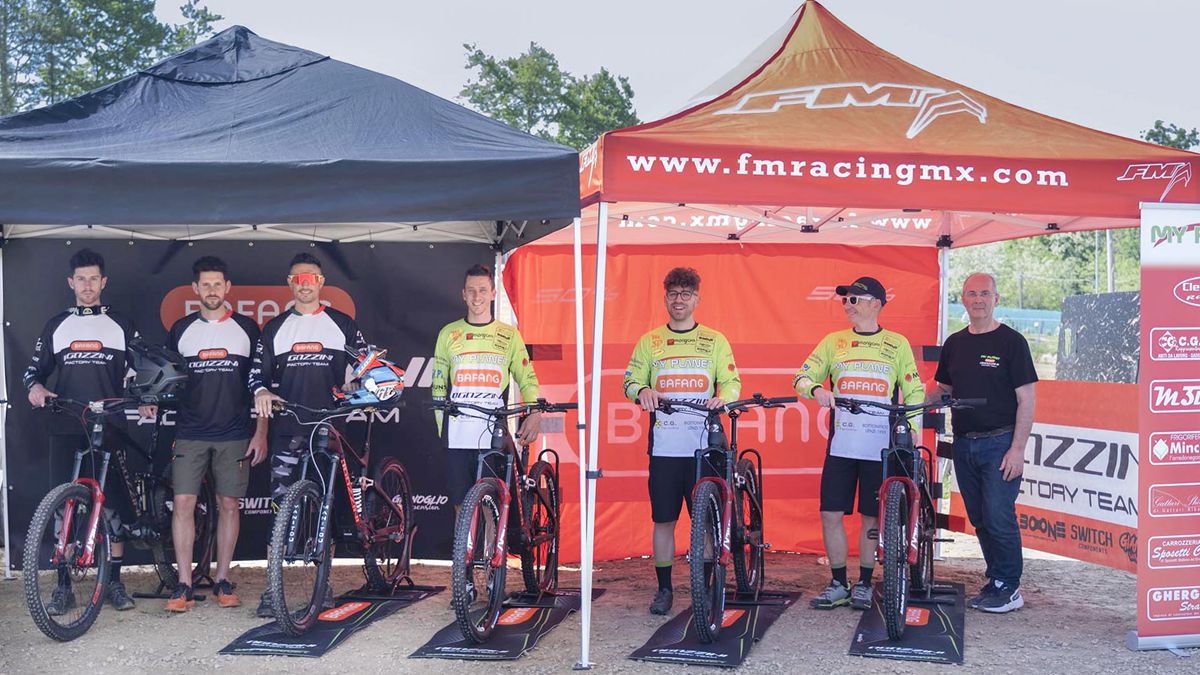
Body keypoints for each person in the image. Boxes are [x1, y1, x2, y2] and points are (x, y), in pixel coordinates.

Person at [24, 248, 143, 613]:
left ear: (103, 282)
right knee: (64, 507)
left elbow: (141, 371)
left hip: (110, 426)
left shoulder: (121, 325)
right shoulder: (57, 325)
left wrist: (144, 396)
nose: (87, 286)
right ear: (70, 282)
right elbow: (33, 373)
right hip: (66, 426)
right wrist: (36, 389)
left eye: (94, 279)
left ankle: (115, 583)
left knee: (112, 507)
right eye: (81, 279)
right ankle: (64, 587)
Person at [794, 276, 923, 611]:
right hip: (842, 446)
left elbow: (913, 390)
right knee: (830, 513)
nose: (847, 305)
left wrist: (913, 426)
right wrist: (816, 389)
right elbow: (801, 377)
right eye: (845, 300)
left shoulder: (897, 344)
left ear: (876, 304)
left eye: (854, 299)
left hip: (879, 448)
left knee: (871, 517)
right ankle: (839, 583)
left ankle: (865, 583)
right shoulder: (833, 341)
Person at [249, 252, 367, 616]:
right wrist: (262, 391)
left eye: (311, 278)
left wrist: (359, 382)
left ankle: (323, 585)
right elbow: (255, 376)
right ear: (289, 283)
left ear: (321, 282)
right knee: (280, 510)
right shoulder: (275, 328)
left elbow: (366, 367)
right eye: (298, 278)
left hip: (328, 430)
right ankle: (273, 591)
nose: (304, 284)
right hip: (287, 431)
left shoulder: (342, 324)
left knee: (324, 509)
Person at [623, 267, 740, 616]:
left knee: (705, 522)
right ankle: (664, 590)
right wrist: (642, 390)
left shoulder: (715, 341)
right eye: (673, 294)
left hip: (705, 448)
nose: (679, 300)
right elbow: (630, 381)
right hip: (665, 448)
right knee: (663, 520)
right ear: (665, 298)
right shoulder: (650, 341)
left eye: (686, 294)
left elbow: (732, 383)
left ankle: (704, 587)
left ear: (697, 299)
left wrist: (724, 397)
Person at [162, 256, 268, 612]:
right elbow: (165, 380)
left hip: (234, 433)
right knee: (183, 504)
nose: (211, 290)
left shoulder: (247, 329)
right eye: (205, 284)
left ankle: (223, 579)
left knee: (229, 505)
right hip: (190, 431)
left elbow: (262, 386)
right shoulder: (180, 330)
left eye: (217, 284)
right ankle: (183, 584)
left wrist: (261, 432)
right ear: (195, 289)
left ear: (227, 288)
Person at [927, 272, 1036, 613]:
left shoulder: (1012, 342)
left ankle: (1010, 587)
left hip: (1000, 443)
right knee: (980, 518)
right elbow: (943, 389)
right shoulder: (955, 344)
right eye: (972, 293)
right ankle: (997, 580)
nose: (978, 299)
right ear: (963, 299)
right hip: (963, 445)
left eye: (985, 294)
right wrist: (913, 401)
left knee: (999, 515)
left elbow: (1027, 399)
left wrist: (1017, 449)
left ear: (996, 299)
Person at [431, 264, 541, 511]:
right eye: (471, 290)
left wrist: (535, 412)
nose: (476, 296)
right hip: (457, 433)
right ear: (463, 294)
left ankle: (493, 539)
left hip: (492, 431)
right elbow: (438, 384)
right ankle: (466, 540)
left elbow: (527, 378)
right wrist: (442, 428)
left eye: (482, 290)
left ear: (493, 293)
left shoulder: (509, 335)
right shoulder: (448, 333)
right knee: (461, 507)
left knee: (491, 506)